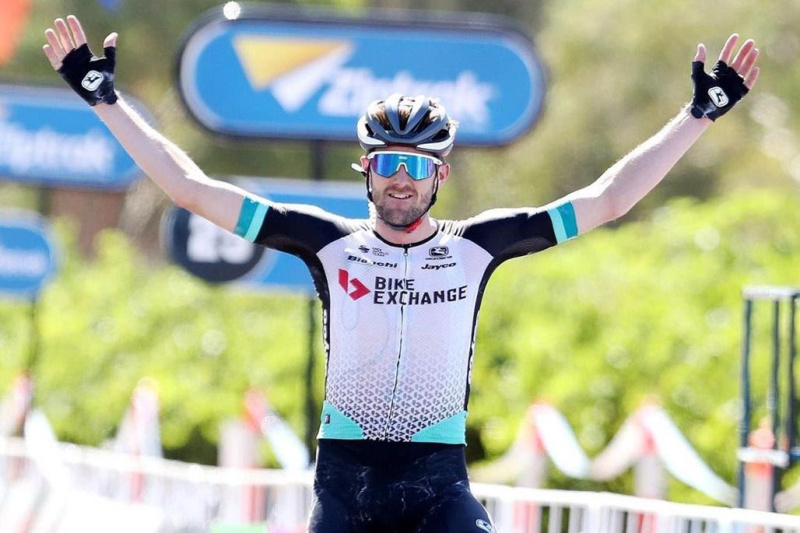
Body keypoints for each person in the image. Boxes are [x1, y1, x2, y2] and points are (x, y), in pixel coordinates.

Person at [43, 14, 759, 533]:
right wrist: (106, 100)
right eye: (387, 163)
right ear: (366, 169)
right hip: (345, 489)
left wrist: (698, 115)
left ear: (440, 175)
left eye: (416, 166)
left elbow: (606, 200)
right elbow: (192, 190)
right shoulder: (328, 243)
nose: (401, 181)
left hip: (438, 486)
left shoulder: (479, 245)